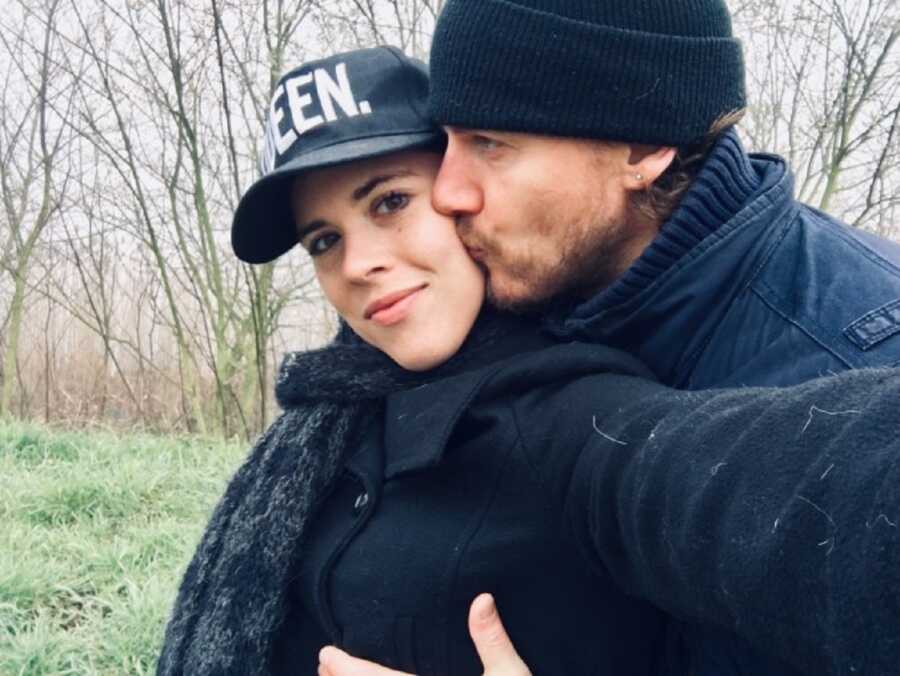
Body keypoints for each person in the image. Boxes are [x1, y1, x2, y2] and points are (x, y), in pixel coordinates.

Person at [156, 46, 900, 676]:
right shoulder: (332, 405)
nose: (358, 263)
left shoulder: (570, 413)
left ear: (460, 197)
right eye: (324, 240)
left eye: (388, 202)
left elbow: (778, 491)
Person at [410, 0, 900, 674]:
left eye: (489, 143)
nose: (446, 193)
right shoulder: (516, 307)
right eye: (445, 141)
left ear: (641, 145)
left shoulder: (858, 371)